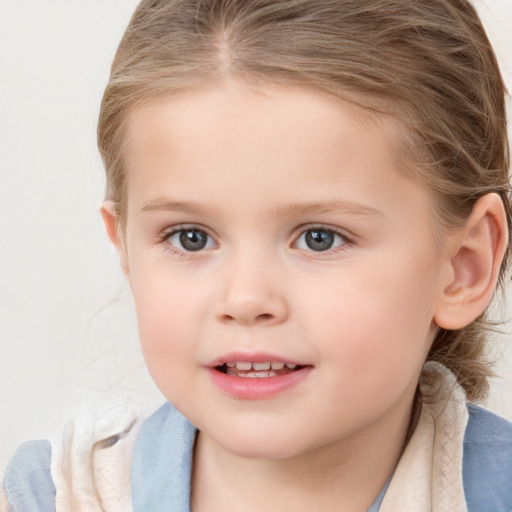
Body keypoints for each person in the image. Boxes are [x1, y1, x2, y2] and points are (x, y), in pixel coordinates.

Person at [3, 0, 512, 510]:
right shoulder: (59, 497)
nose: (245, 299)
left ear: (464, 267)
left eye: (319, 237)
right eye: (190, 237)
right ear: (127, 251)